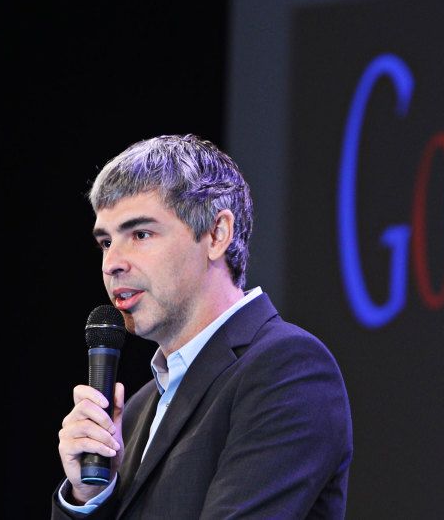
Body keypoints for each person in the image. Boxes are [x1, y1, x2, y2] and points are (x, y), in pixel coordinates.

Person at [52, 134, 353, 519]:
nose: (112, 264)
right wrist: (88, 497)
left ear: (216, 234)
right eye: (106, 243)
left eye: (140, 234)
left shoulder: (288, 370)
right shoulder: (137, 409)